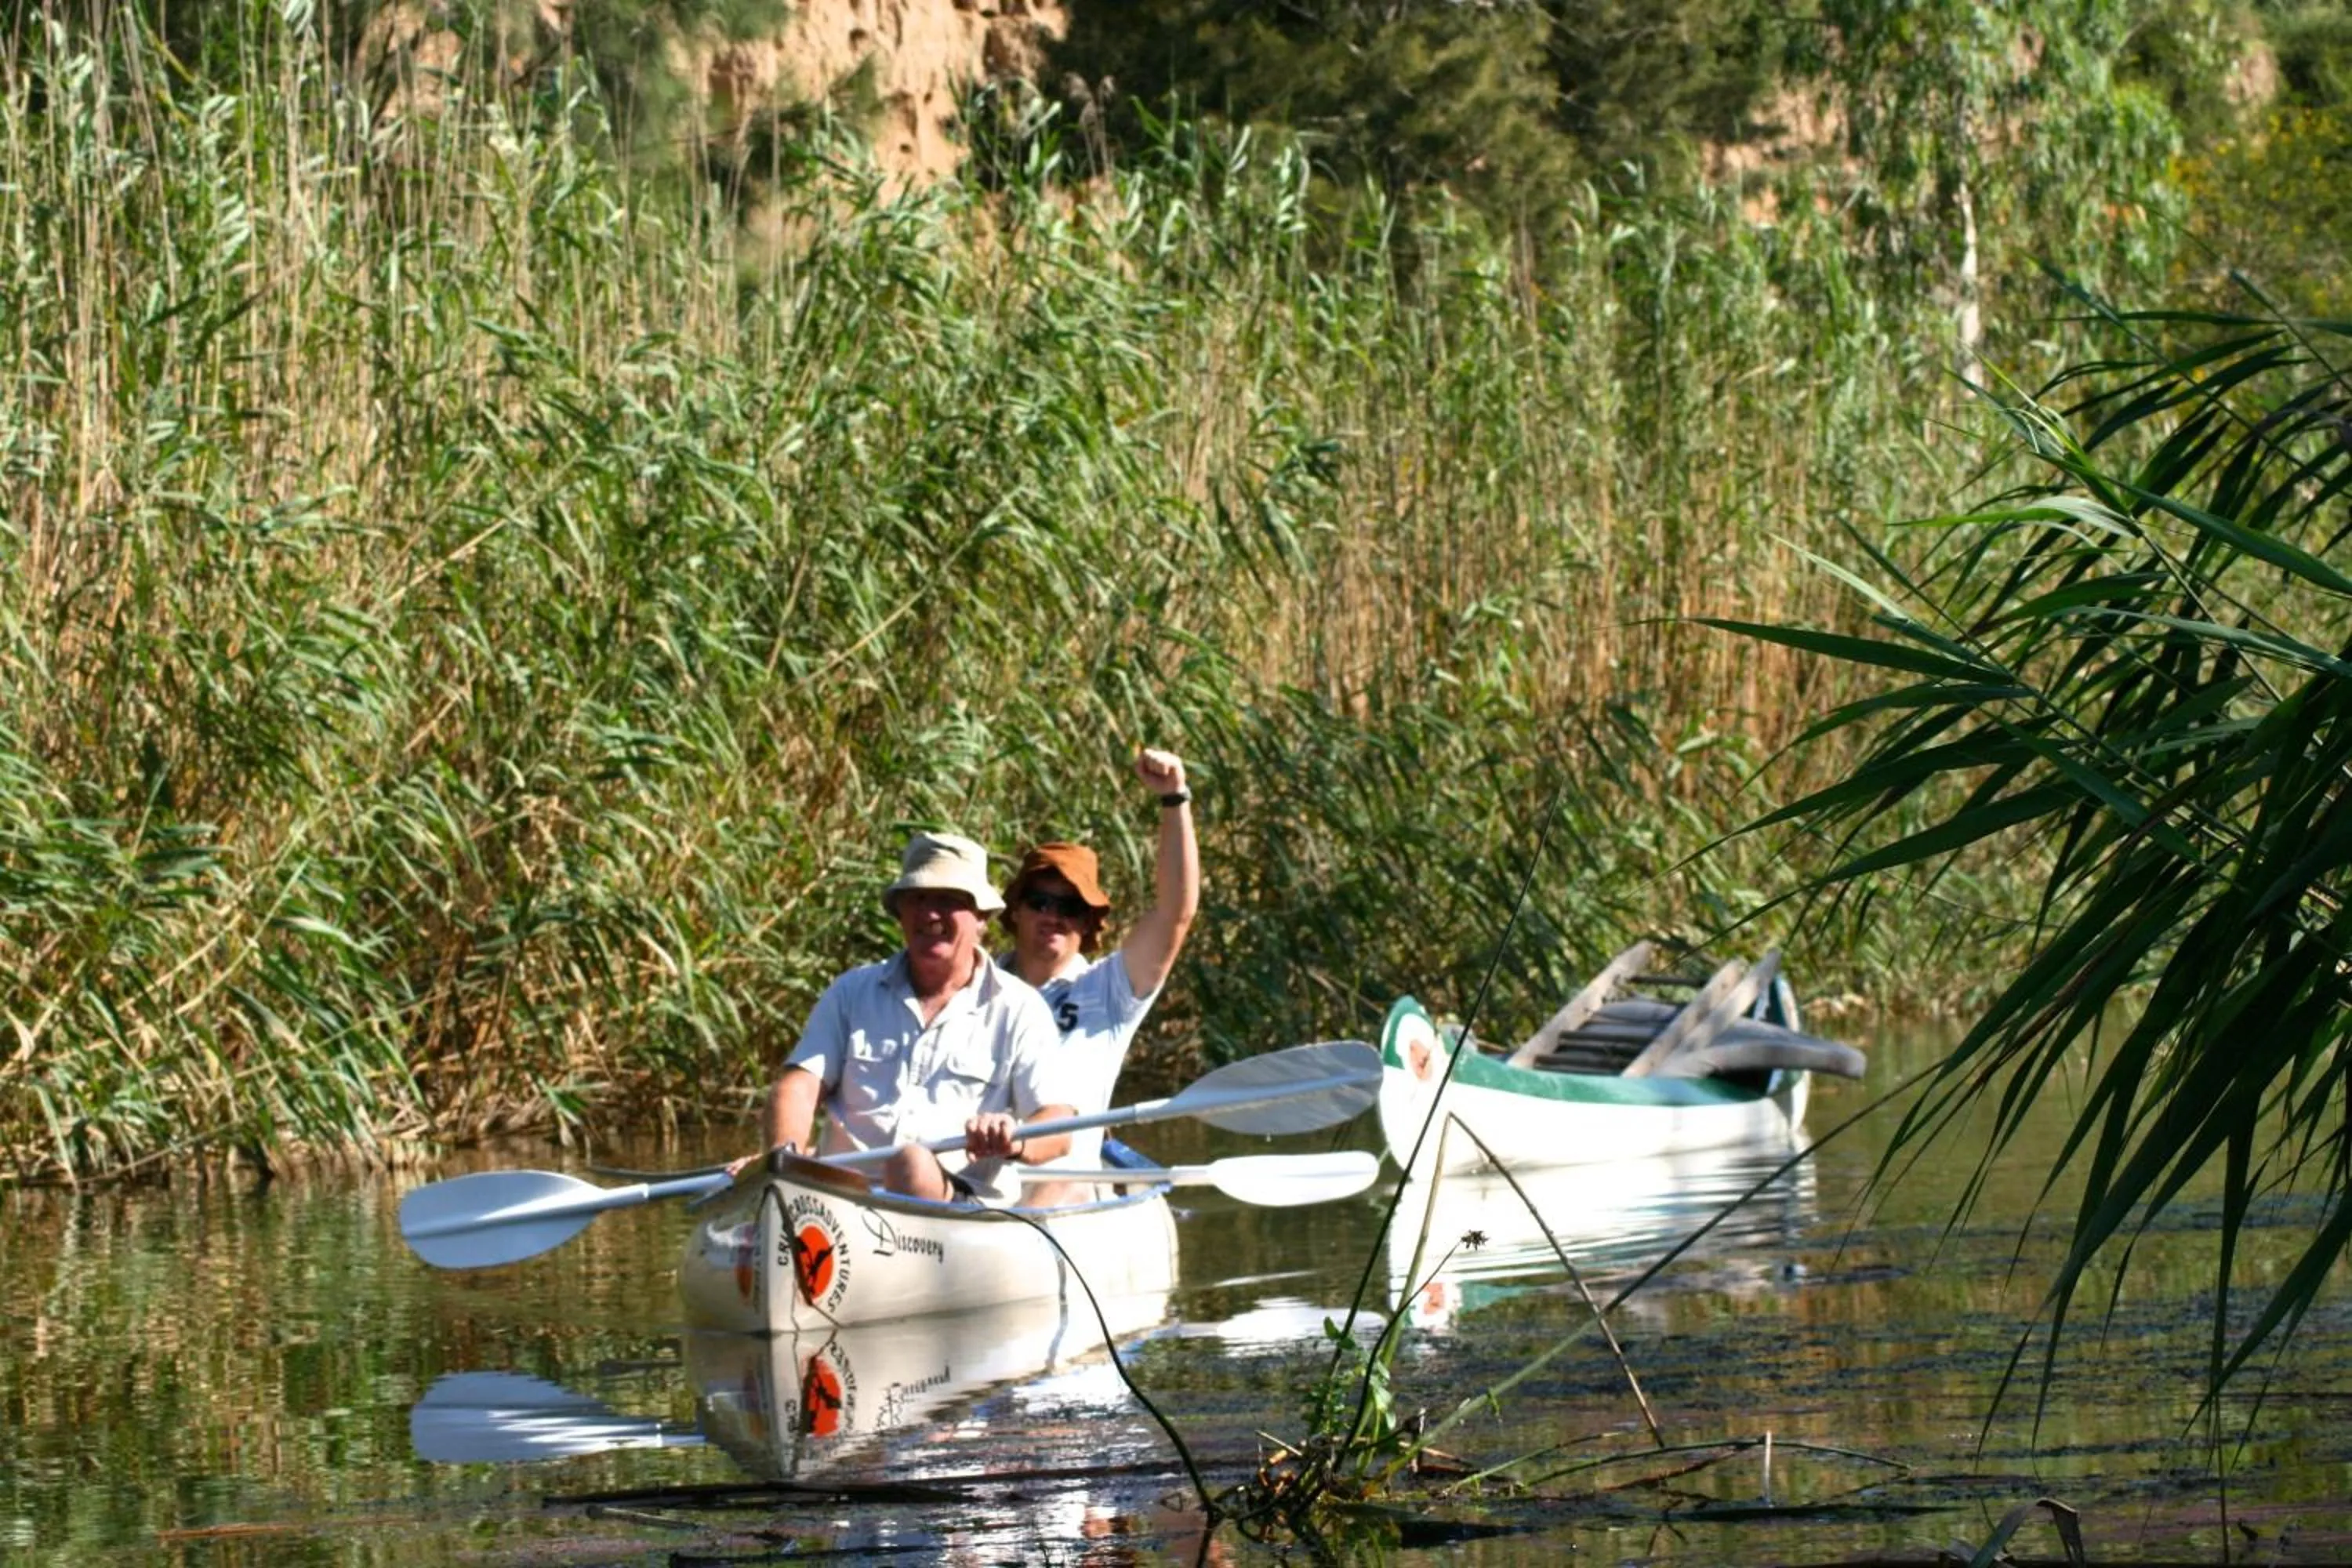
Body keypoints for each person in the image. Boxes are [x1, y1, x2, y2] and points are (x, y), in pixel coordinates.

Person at [753, 829, 1082, 1202]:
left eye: (948, 900)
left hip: (960, 1210)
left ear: (981, 918)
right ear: (901, 913)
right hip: (843, 1204)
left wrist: (1012, 1138)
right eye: (918, 898)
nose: (930, 913)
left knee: (911, 1164)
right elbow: (798, 1086)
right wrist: (786, 1159)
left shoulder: (1020, 1008)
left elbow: (1057, 1126)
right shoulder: (851, 992)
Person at [997, 747, 1200, 1167]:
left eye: (1070, 908)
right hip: (976, 1184)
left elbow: (1174, 913)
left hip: (1062, 1190)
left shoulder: (1109, 991)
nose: (1053, 916)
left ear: (1088, 924)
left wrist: (1174, 798)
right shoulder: (976, 983)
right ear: (1015, 909)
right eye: (1040, 902)